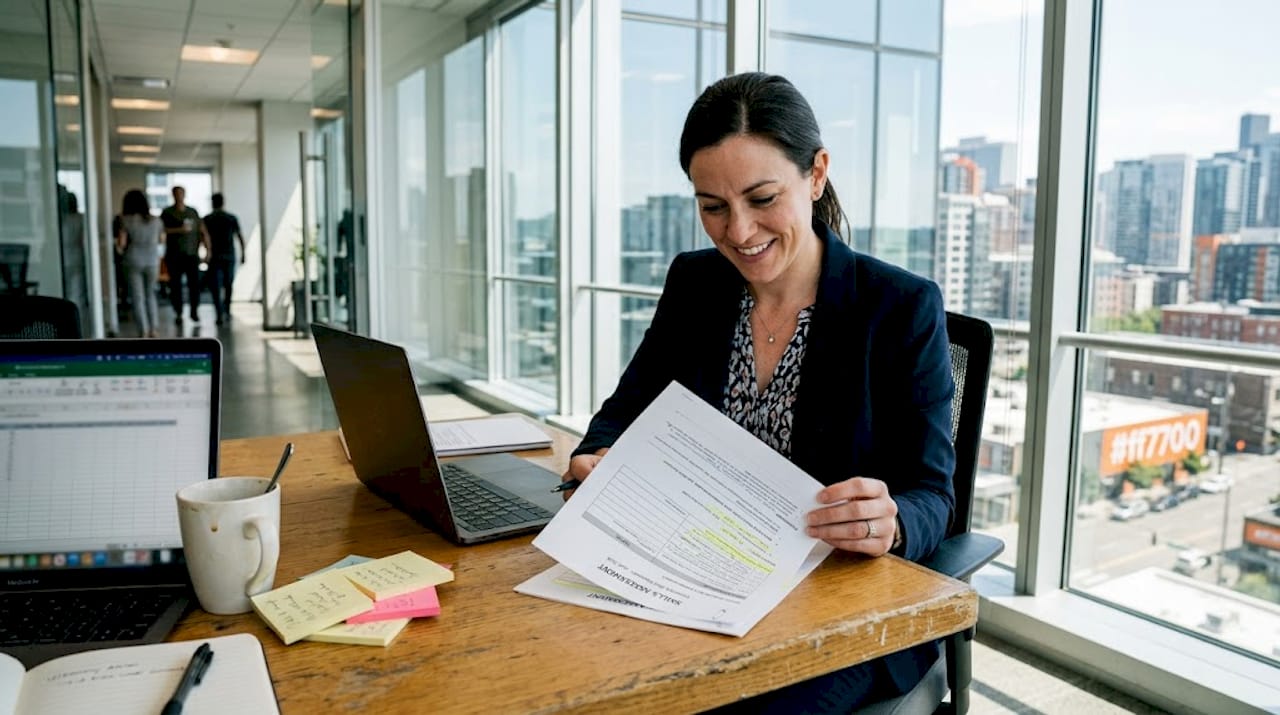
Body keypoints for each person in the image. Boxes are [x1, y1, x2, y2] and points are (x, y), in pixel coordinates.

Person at [560, 72, 956, 713]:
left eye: (762, 198)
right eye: (712, 206)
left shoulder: (900, 306)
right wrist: (595, 458)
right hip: (696, 571)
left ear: (816, 175)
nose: (739, 232)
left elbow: (934, 495)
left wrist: (892, 522)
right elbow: (622, 414)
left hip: (837, 605)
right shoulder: (696, 283)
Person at [115, 189, 163, 337]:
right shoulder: (156, 221)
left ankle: (143, 330)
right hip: (152, 261)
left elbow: (122, 243)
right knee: (151, 295)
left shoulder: (125, 220)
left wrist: (118, 249)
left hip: (133, 260)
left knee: (137, 297)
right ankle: (154, 329)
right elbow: (161, 240)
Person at [160, 186, 211, 324]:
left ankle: (194, 311)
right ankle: (178, 312)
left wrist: (207, 249)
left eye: (181, 194)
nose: (179, 196)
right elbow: (161, 231)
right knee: (175, 286)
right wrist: (179, 230)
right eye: (176, 194)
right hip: (174, 255)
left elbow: (202, 231)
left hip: (191, 254)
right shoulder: (167, 213)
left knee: (194, 285)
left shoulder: (192, 212)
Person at [202, 192, 245, 325]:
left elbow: (203, 238)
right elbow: (240, 237)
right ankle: (226, 309)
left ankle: (220, 312)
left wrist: (206, 254)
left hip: (215, 256)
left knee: (216, 286)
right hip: (228, 255)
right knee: (228, 284)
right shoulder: (231, 218)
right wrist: (244, 253)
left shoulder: (208, 219)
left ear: (212, 203)